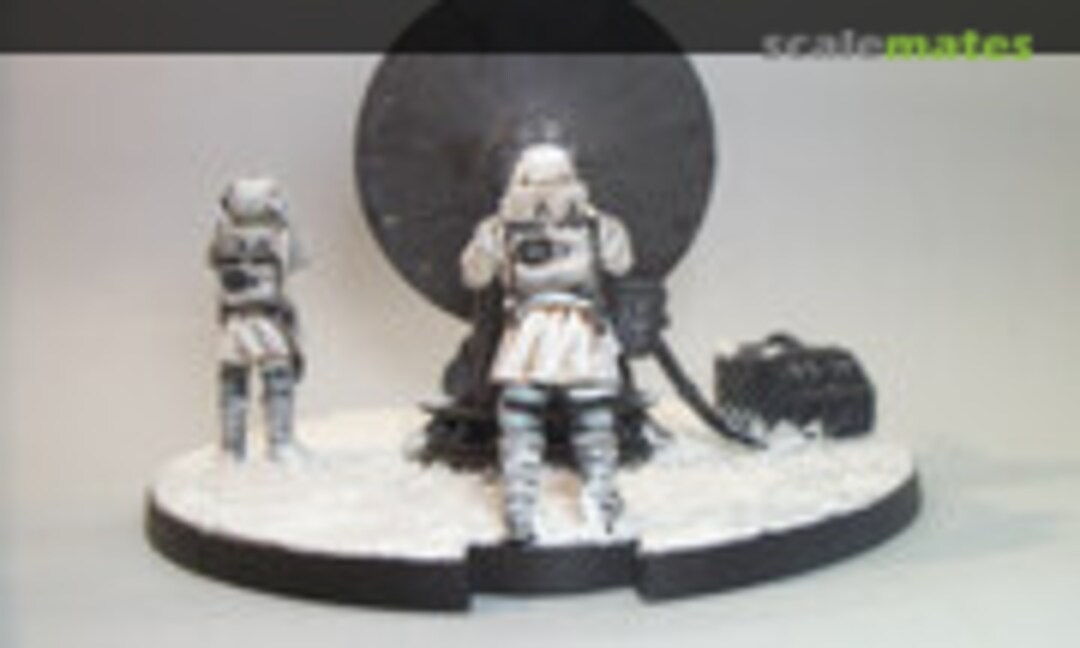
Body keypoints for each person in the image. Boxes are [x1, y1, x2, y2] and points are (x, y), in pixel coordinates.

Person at [460, 144, 634, 543]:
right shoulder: (594, 226)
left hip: (533, 339)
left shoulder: (502, 228)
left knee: (527, 427)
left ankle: (532, 509)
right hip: (573, 335)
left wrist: (491, 237)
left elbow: (474, 275)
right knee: (586, 424)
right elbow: (622, 261)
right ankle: (591, 505)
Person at [208, 177, 306, 461]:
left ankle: (246, 447)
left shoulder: (224, 235)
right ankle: (267, 445)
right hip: (257, 320)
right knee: (269, 380)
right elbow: (296, 259)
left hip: (248, 320)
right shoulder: (277, 235)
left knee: (241, 382)